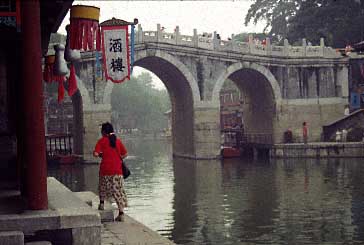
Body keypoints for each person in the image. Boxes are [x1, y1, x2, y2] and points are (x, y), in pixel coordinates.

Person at [93, 122, 128, 222]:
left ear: (103, 132)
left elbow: (96, 154)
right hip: (117, 171)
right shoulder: (117, 141)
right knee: (118, 191)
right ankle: (121, 213)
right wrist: (117, 158)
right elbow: (125, 154)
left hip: (105, 170)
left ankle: (102, 204)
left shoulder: (101, 141)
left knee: (102, 187)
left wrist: (101, 155)